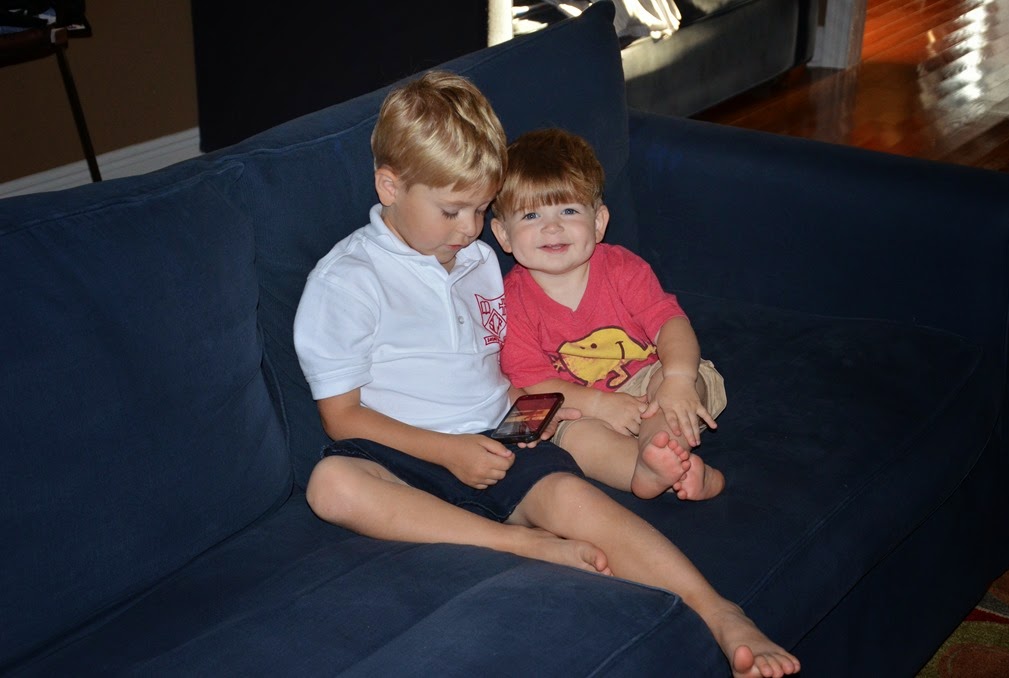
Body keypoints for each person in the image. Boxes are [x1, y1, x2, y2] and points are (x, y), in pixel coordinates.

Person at [293, 71, 800, 677]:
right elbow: (341, 417)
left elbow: (502, 372)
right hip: (402, 449)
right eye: (452, 210)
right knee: (331, 484)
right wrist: (449, 451)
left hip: (500, 431)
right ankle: (517, 542)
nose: (469, 229)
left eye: (481, 209)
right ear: (390, 185)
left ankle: (719, 612)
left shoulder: (479, 262)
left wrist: (557, 409)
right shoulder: (348, 280)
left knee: (572, 490)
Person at [491, 127, 727, 502]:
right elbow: (536, 384)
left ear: (599, 222)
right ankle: (652, 469)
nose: (552, 227)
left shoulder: (622, 269)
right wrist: (600, 405)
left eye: (568, 210)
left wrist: (678, 378)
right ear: (503, 235)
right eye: (531, 215)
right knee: (575, 439)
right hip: (580, 402)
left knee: (679, 383)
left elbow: (670, 324)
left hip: (648, 378)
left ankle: (661, 449)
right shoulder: (509, 303)